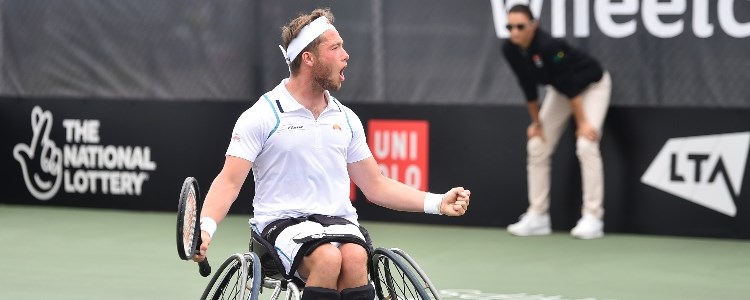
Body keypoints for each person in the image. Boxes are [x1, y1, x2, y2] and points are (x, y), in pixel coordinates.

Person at [192, 8, 471, 300]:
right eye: (335, 47)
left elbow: (375, 185)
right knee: (327, 258)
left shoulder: (346, 118)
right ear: (308, 58)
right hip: (281, 224)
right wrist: (206, 228)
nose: (346, 55)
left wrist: (438, 202)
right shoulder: (263, 115)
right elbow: (229, 182)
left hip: (338, 222)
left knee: (354, 258)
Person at [501, 4, 611, 239]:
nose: (514, 32)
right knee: (537, 145)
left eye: (520, 26)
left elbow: (571, 85)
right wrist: (537, 123)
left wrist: (583, 124)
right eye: (510, 27)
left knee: (586, 144)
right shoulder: (510, 49)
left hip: (592, 86)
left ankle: (593, 217)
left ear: (533, 26)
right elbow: (527, 86)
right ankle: (538, 216)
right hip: (561, 92)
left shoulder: (550, 46)